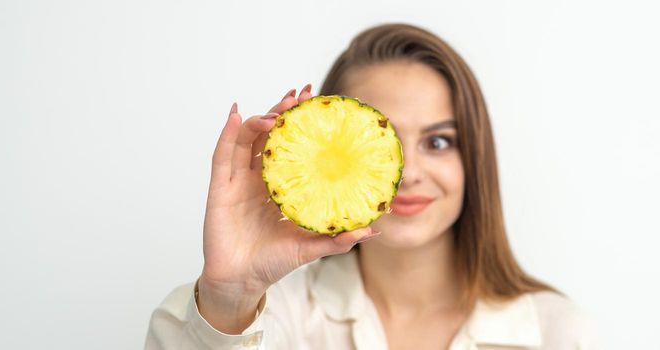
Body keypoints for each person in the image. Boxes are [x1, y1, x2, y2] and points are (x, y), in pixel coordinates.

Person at [145, 23, 599, 350]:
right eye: (385, 142)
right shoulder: (267, 320)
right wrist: (230, 296)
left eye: (439, 141)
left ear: (475, 158)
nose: (408, 171)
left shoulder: (556, 333)